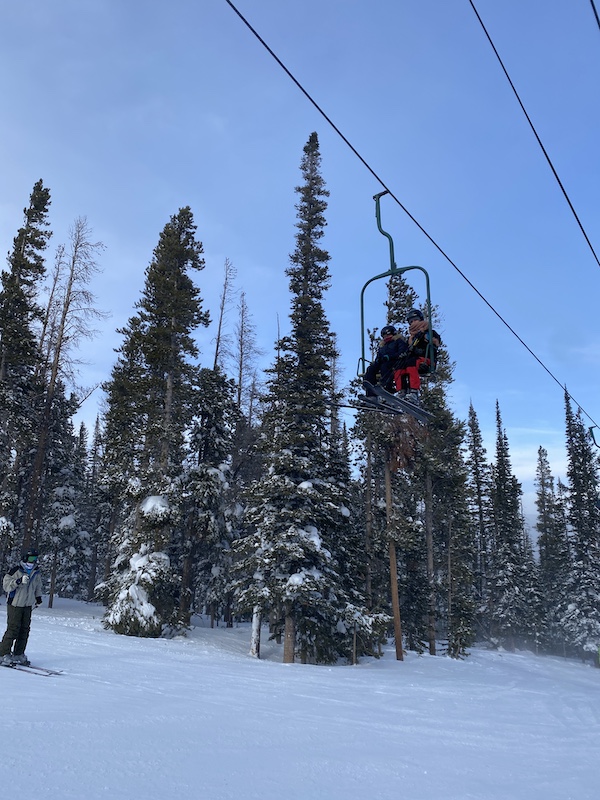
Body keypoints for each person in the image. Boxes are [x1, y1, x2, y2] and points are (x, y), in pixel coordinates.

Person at [1, 548, 43, 666]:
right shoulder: (16, 571)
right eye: (31, 558)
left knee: (24, 630)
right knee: (13, 629)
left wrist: (38, 598)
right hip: (15, 604)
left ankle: (18, 653)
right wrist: (18, 581)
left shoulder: (36, 572)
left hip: (27, 605)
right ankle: (3, 653)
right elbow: (6, 586)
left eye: (35, 558)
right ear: (25, 558)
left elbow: (38, 586)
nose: (32, 561)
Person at [393, 308, 441, 404]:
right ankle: (402, 390)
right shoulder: (411, 338)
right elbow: (408, 349)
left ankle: (414, 391)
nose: (414, 323)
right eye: (411, 322)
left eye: (415, 320)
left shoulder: (429, 332)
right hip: (414, 359)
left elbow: (436, 342)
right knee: (400, 365)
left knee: (411, 362)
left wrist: (427, 338)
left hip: (426, 359)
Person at [363, 324, 409, 394]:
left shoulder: (398, 341)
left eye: (388, 335)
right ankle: (370, 391)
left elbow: (402, 352)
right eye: (384, 336)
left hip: (395, 362)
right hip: (383, 362)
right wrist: (377, 360)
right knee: (371, 368)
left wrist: (390, 357)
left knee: (385, 367)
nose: (386, 337)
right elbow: (379, 355)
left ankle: (387, 386)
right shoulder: (383, 346)